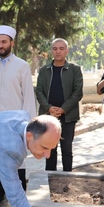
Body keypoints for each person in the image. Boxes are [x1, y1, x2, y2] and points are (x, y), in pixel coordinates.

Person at [0, 25, 36, 207]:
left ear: (12, 42)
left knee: (16, 160)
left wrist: (28, 124)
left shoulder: (22, 66)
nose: (1, 45)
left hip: (15, 124)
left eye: (4, 42)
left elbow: (28, 95)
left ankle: (18, 199)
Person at [35, 38, 83, 171]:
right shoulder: (44, 70)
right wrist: (49, 108)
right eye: (55, 49)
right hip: (48, 116)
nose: (58, 52)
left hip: (68, 116)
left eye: (61, 49)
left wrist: (63, 109)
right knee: (50, 149)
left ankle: (68, 175)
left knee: (67, 148)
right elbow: (39, 91)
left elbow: (77, 93)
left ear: (67, 51)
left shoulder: (74, 69)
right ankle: (50, 177)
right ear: (51, 51)